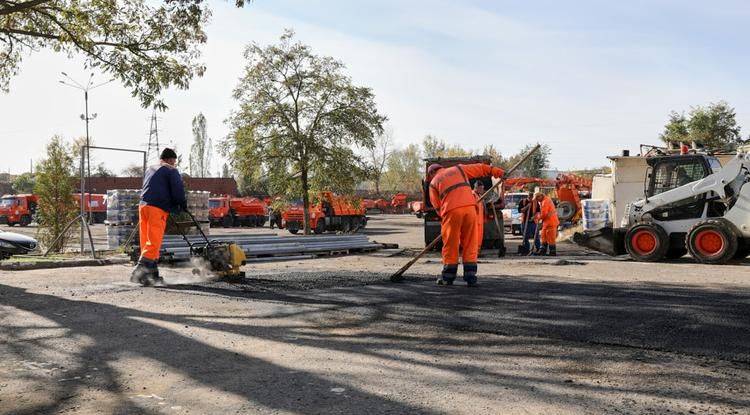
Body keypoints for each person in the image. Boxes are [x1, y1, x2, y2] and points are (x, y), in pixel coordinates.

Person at [428, 162, 504, 287]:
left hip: (451, 211)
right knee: (470, 242)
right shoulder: (458, 169)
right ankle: (470, 277)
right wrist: (499, 172)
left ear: (431, 173)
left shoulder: (433, 183)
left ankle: (448, 277)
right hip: (470, 208)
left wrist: (445, 220)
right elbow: (481, 168)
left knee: (451, 244)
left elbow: (437, 206)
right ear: (441, 168)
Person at [130, 148, 187, 286]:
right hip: (157, 208)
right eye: (174, 161)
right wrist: (182, 204)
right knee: (154, 240)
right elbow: (178, 190)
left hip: (143, 206)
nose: (174, 164)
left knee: (147, 241)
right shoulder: (170, 170)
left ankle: (152, 275)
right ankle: (138, 273)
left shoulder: (150, 168)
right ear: (169, 159)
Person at [533, 190, 559, 256]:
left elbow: (544, 214)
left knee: (550, 238)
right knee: (543, 236)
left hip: (551, 222)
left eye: (537, 199)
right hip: (547, 222)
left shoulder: (545, 202)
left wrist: (537, 218)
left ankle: (552, 252)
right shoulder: (544, 200)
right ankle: (542, 251)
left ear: (540, 196)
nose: (537, 201)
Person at [472, 181, 486, 255]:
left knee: (479, 238)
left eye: (482, 188)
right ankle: (474, 253)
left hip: (479, 220)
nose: (482, 190)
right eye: (481, 188)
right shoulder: (473, 195)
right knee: (474, 238)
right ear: (476, 188)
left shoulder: (479, 196)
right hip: (475, 220)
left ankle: (477, 252)